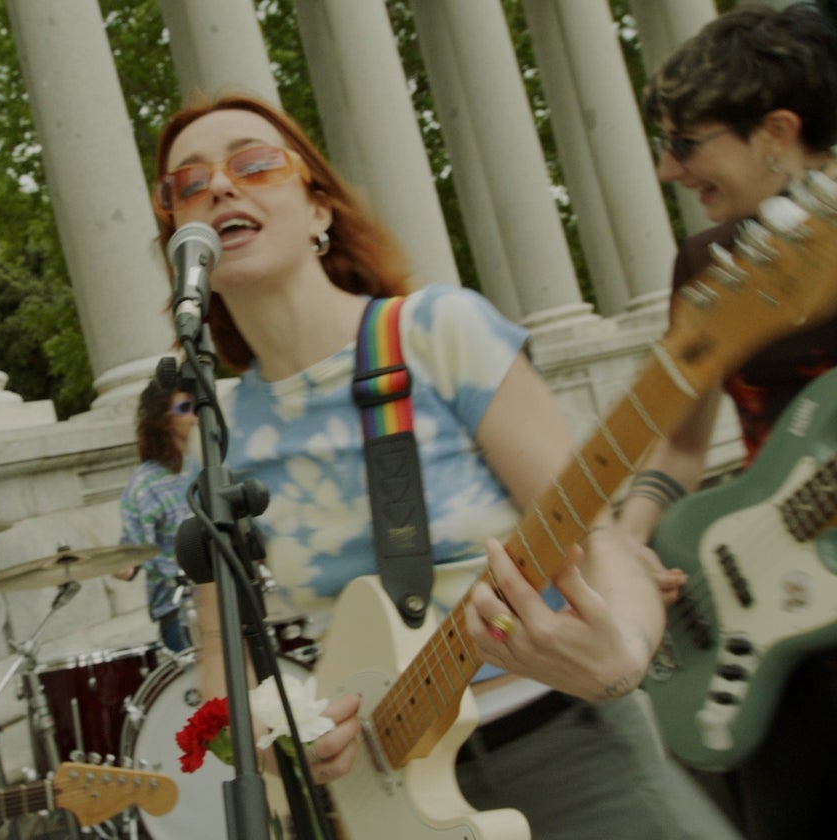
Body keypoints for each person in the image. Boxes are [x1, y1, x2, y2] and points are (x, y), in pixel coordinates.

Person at [149, 92, 739, 838]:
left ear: (320, 209)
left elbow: (600, 541)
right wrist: (272, 745)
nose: (222, 186)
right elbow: (216, 647)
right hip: (384, 796)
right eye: (189, 184)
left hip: (562, 749)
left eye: (254, 163)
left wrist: (620, 657)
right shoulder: (215, 428)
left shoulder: (438, 332)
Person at [617, 4, 837, 837]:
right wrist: (632, 542)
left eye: (686, 143)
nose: (671, 172)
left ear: (777, 131)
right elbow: (681, 440)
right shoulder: (705, 263)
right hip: (768, 611)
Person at [114, 379, 199, 652]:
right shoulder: (145, 484)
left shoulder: (216, 463)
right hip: (181, 607)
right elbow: (133, 551)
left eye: (198, 405)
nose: (196, 414)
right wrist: (125, 564)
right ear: (163, 420)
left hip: (233, 594)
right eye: (185, 408)